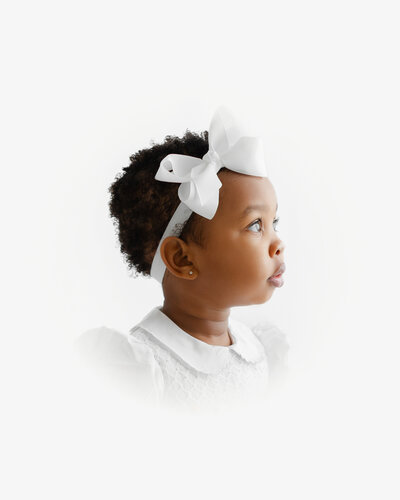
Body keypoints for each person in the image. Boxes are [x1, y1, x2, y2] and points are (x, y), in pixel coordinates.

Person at [74, 106, 289, 414]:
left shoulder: (258, 347)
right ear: (182, 258)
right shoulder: (140, 371)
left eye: (274, 223)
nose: (278, 243)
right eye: (255, 225)